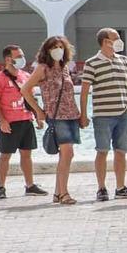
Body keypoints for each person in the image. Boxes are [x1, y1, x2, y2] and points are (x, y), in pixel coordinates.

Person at [77, 27, 127, 203]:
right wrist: (83, 114)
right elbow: (84, 91)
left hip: (123, 114)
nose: (120, 40)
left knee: (121, 152)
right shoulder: (92, 63)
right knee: (102, 151)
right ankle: (101, 188)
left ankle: (121, 187)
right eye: (116, 37)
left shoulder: (124, 60)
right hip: (102, 115)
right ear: (106, 41)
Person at [23, 35, 82, 205]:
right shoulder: (43, 68)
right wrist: (39, 111)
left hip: (71, 115)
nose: (58, 50)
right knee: (67, 153)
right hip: (56, 117)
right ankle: (64, 193)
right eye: (54, 47)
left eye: (61, 46)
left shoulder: (64, 68)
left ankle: (58, 192)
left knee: (67, 155)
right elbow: (26, 89)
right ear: (47, 50)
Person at [0, 45, 41, 198]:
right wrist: (1, 120)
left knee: (26, 154)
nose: (21, 59)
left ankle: (30, 185)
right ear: (8, 59)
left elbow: (31, 98)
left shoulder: (25, 76)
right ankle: (1, 187)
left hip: (26, 120)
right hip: (10, 123)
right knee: (5, 155)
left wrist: (37, 116)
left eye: (22, 55)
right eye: (18, 56)